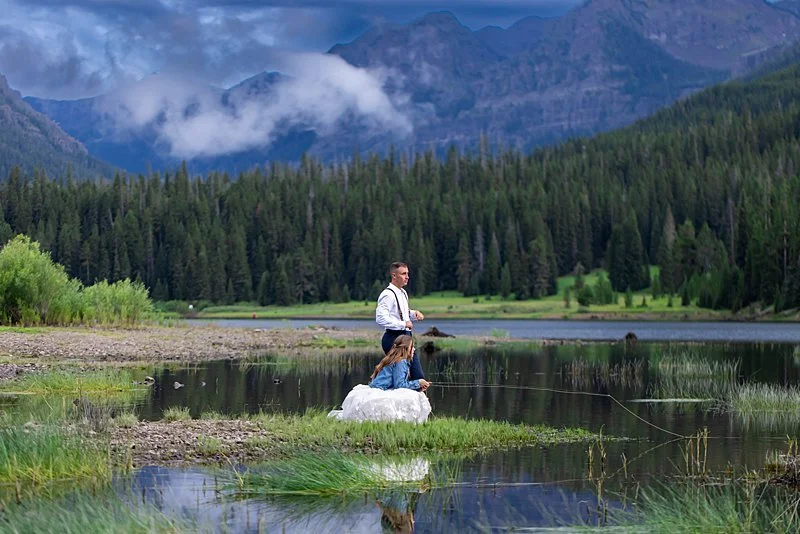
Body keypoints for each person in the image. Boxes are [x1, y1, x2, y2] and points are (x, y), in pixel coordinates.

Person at [376, 262, 426, 380]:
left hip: (406, 339)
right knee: (402, 378)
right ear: (394, 275)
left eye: (407, 274)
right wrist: (403, 324)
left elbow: (403, 313)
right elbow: (380, 318)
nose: (407, 277)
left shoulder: (403, 292)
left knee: (417, 376)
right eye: (404, 274)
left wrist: (414, 314)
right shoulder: (387, 295)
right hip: (393, 339)